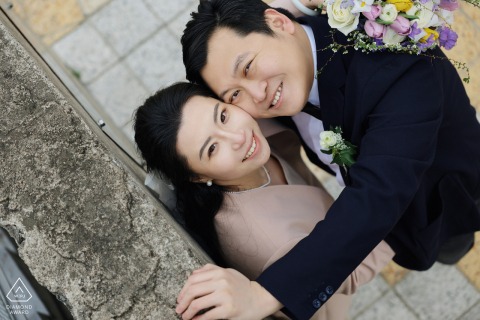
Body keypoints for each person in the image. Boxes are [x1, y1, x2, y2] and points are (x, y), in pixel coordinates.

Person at [180, 0, 480, 318]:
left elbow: (376, 196)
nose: (257, 95)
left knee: (449, 243)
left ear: (278, 23)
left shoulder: (397, 65)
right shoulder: (283, 68)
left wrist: (263, 294)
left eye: (249, 67)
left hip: (439, 193)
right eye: (234, 96)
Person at [133, 82, 395, 319]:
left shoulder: (252, 130)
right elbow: (347, 267)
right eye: (212, 148)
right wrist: (398, 209)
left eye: (222, 116)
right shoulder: (269, 241)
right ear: (197, 177)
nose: (237, 137)